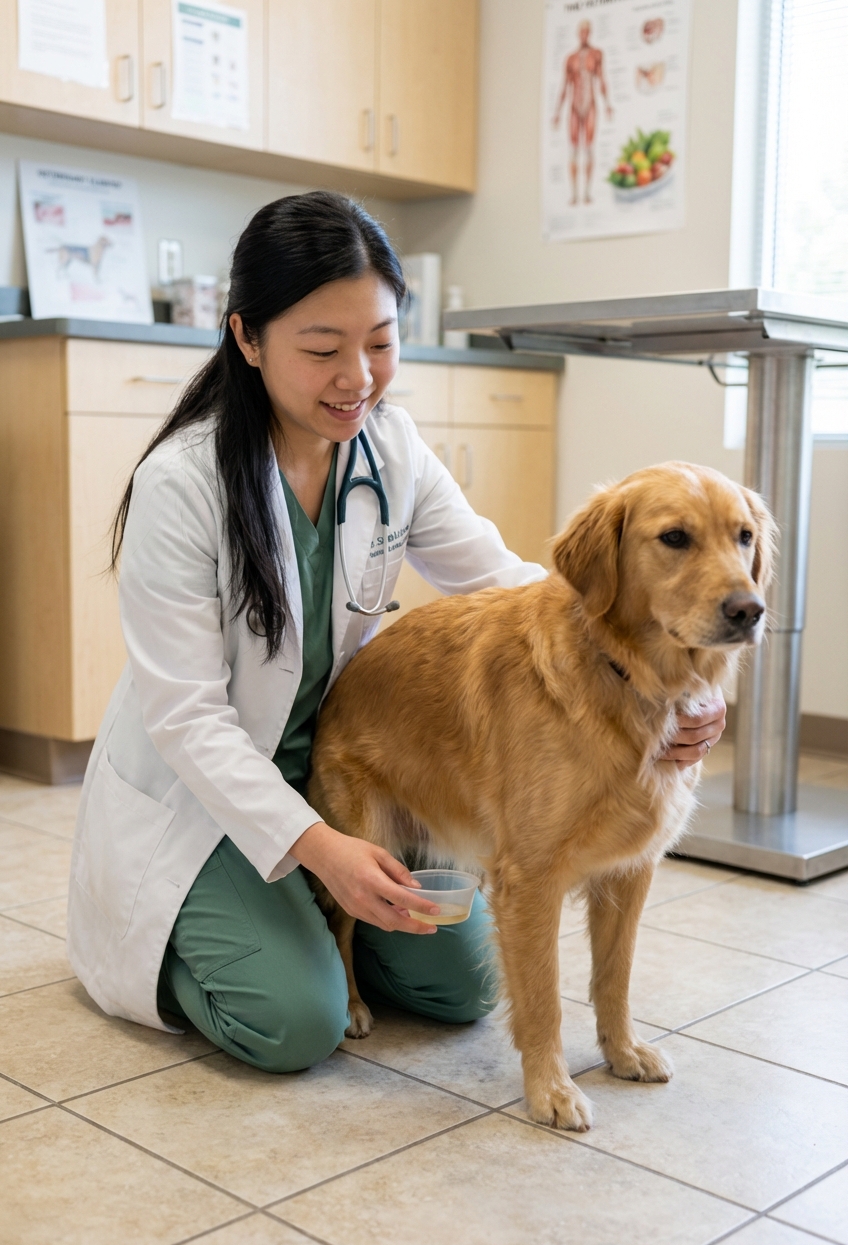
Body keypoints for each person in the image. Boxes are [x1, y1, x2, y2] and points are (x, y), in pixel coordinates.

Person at [67, 192, 726, 1074]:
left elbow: (511, 581)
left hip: (348, 763)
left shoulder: (391, 449)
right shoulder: (181, 486)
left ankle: (317, 918)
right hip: (209, 797)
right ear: (248, 339)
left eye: (380, 342)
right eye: (322, 349)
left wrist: (651, 676)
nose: (358, 378)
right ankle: (201, 941)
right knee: (296, 1022)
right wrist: (323, 848)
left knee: (461, 990)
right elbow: (189, 722)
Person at [552, 20, 613, 205]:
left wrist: (607, 103)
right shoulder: (570, 58)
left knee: (588, 148)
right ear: (578, 33)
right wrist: (557, 112)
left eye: (587, 31)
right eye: (582, 32)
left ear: (590, 33)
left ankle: (586, 193)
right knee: (573, 149)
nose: (584, 35)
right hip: (574, 106)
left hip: (591, 104)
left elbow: (602, 79)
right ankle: (573, 194)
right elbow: (565, 86)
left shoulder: (596, 55)